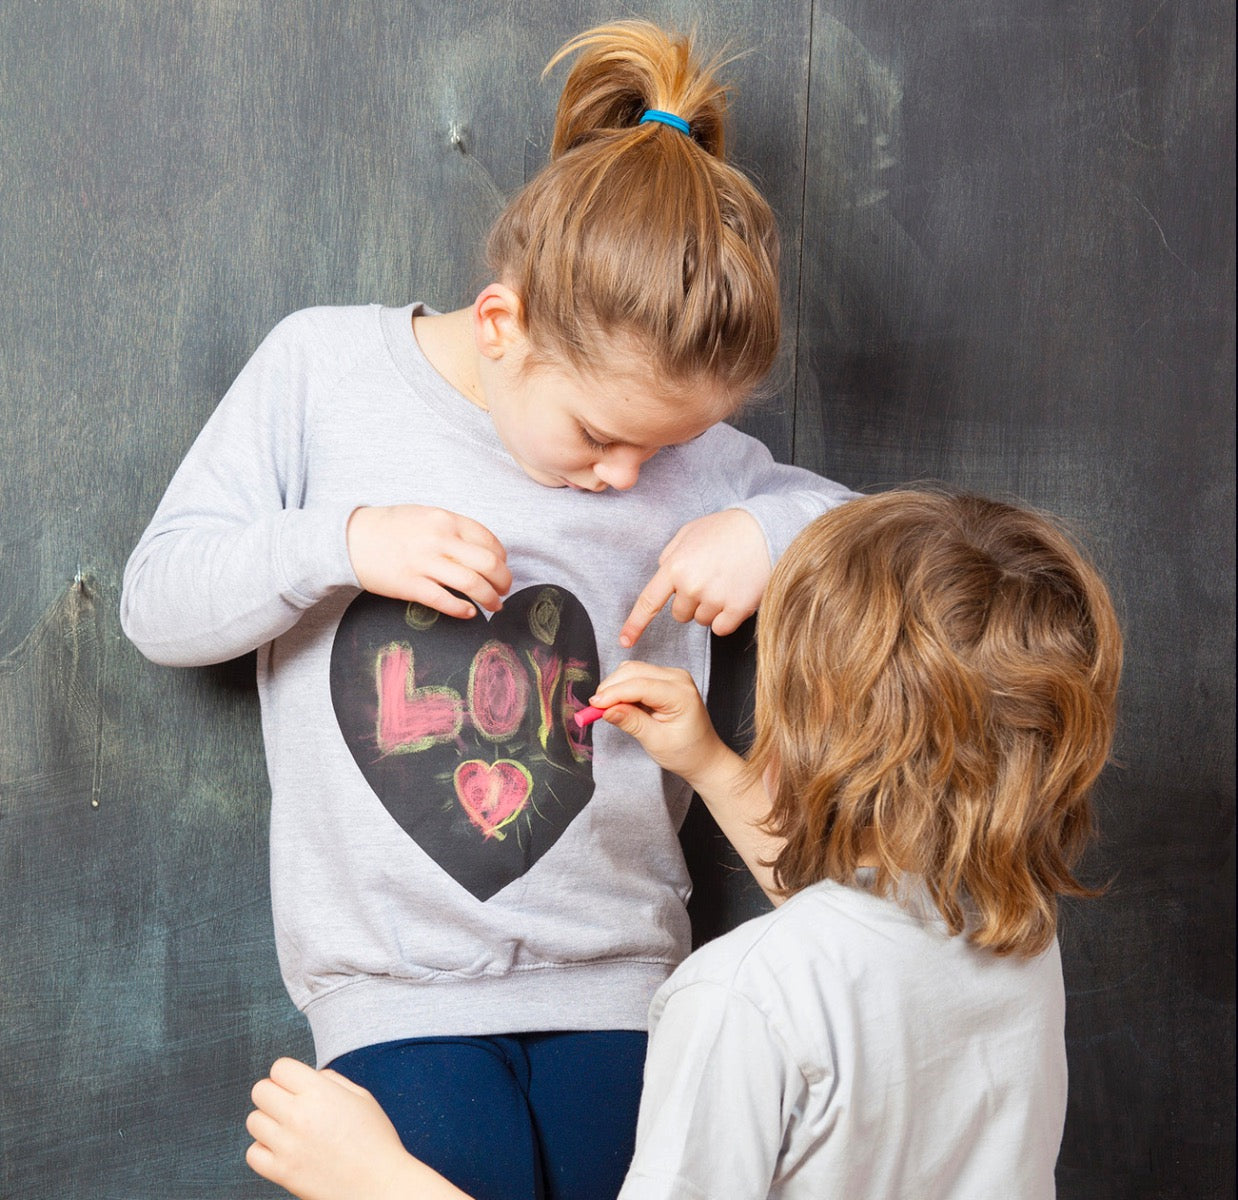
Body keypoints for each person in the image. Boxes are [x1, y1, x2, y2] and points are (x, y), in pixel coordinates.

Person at [120, 19, 853, 1200]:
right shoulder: (323, 374)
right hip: (394, 989)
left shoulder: (684, 455)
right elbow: (158, 603)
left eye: (661, 450)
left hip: (627, 982)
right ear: (503, 325)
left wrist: (764, 530)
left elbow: (889, 546)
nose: (627, 475)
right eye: (601, 436)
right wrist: (344, 542)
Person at [243, 488, 1123, 1200]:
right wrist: (706, 759)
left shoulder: (737, 998)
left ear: (808, 710)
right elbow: (860, 953)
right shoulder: (1017, 944)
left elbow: (814, 978)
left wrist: (377, 1182)